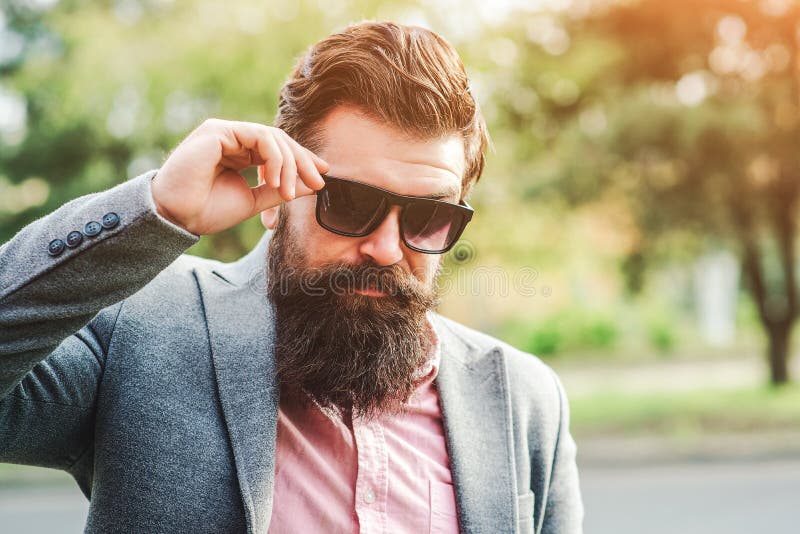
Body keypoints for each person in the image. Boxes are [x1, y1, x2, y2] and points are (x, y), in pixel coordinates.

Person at [0, 21, 583, 534]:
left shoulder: (525, 398)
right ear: (276, 198)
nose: (385, 248)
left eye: (430, 216)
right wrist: (158, 212)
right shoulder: (138, 325)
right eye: (351, 204)